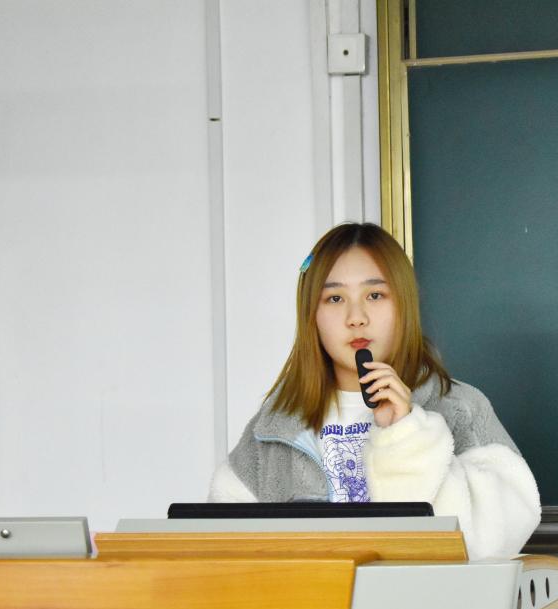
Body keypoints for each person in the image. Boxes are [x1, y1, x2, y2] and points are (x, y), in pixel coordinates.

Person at [209, 222, 540, 560]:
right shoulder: (275, 427)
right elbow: (229, 554)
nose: (356, 318)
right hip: (316, 596)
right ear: (312, 315)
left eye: (375, 295)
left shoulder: (459, 407)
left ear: (403, 304)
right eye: (335, 298)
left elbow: (500, 537)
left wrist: (407, 434)